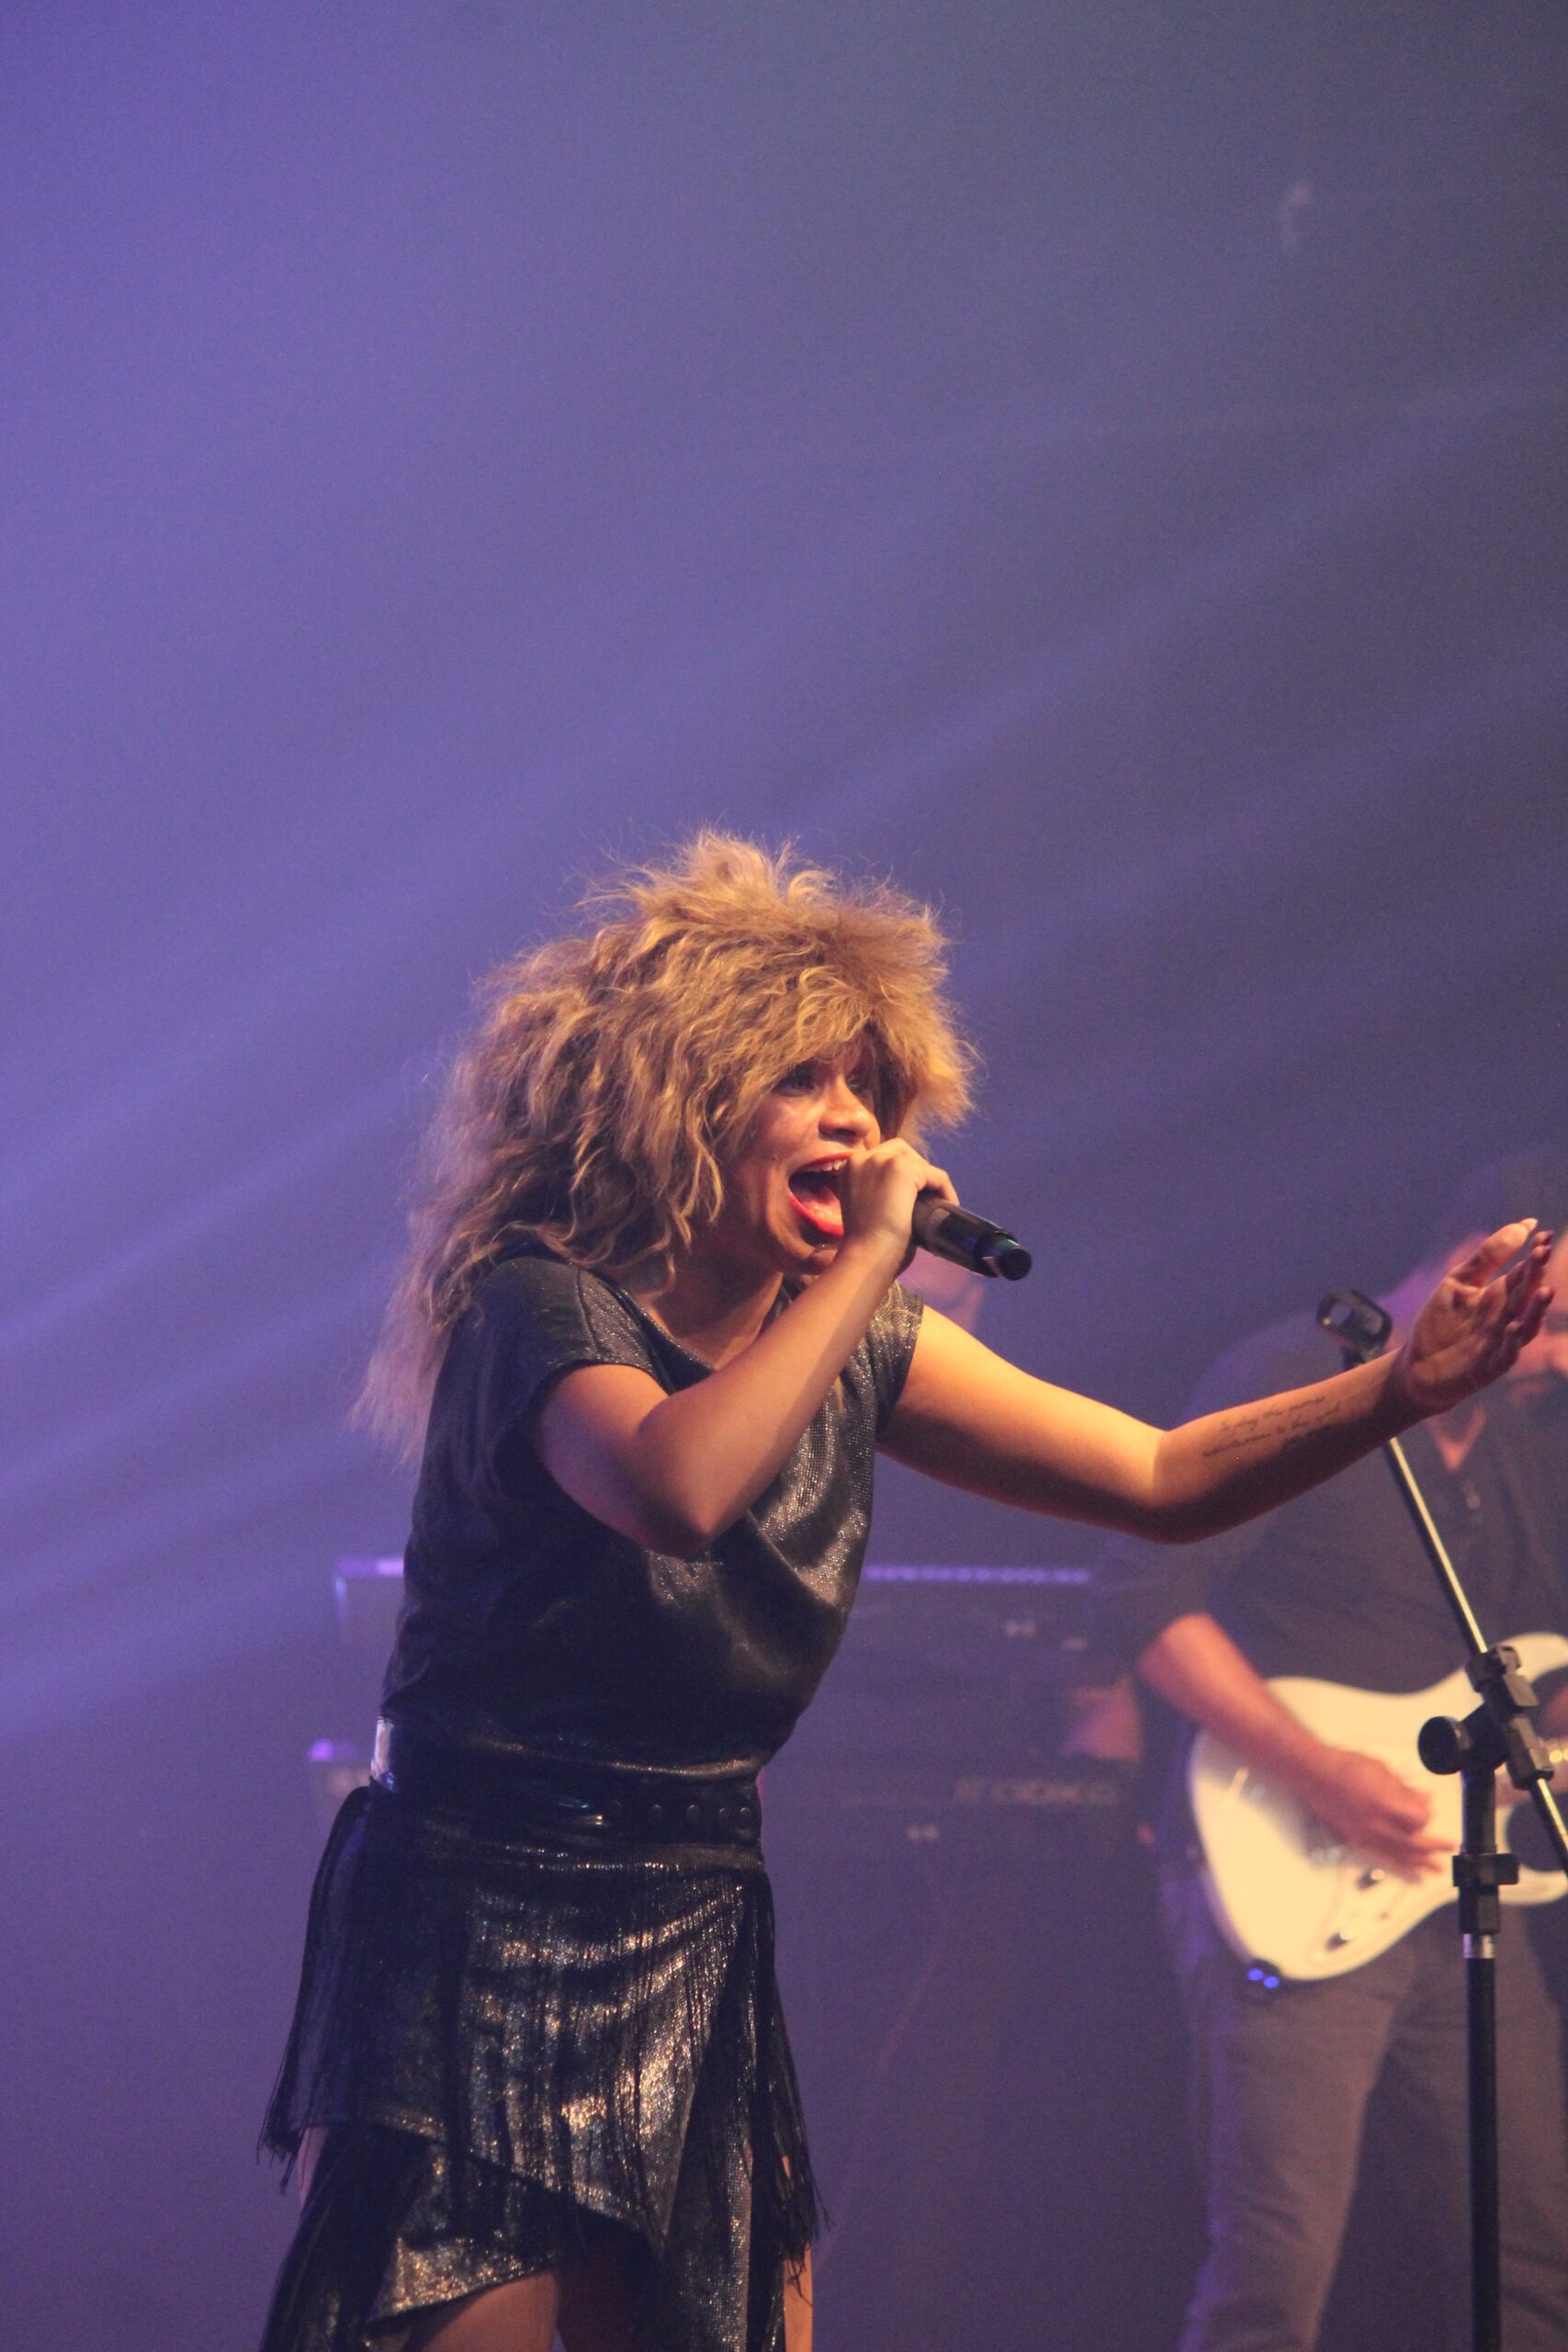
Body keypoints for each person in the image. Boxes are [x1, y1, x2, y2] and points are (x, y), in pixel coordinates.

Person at [256, 837, 1554, 2352]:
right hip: (480, 1929)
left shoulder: (863, 1343)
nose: (857, 1123)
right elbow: (679, 1489)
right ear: (681, 1102)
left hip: (690, 1923)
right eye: (805, 1081)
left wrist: (1399, 1391)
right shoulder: (540, 1308)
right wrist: (873, 1265)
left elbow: (1158, 1476)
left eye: (871, 1091)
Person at [1096, 1150, 1568, 2352]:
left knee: (1534, 2254)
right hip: (1283, 1870)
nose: (1562, 1357)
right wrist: (1320, 1769)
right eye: (1556, 1322)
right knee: (1276, 2272)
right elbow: (1143, 1598)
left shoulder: (1515, 1446)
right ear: (1488, 1263)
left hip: (1460, 1892)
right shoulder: (1291, 1380)